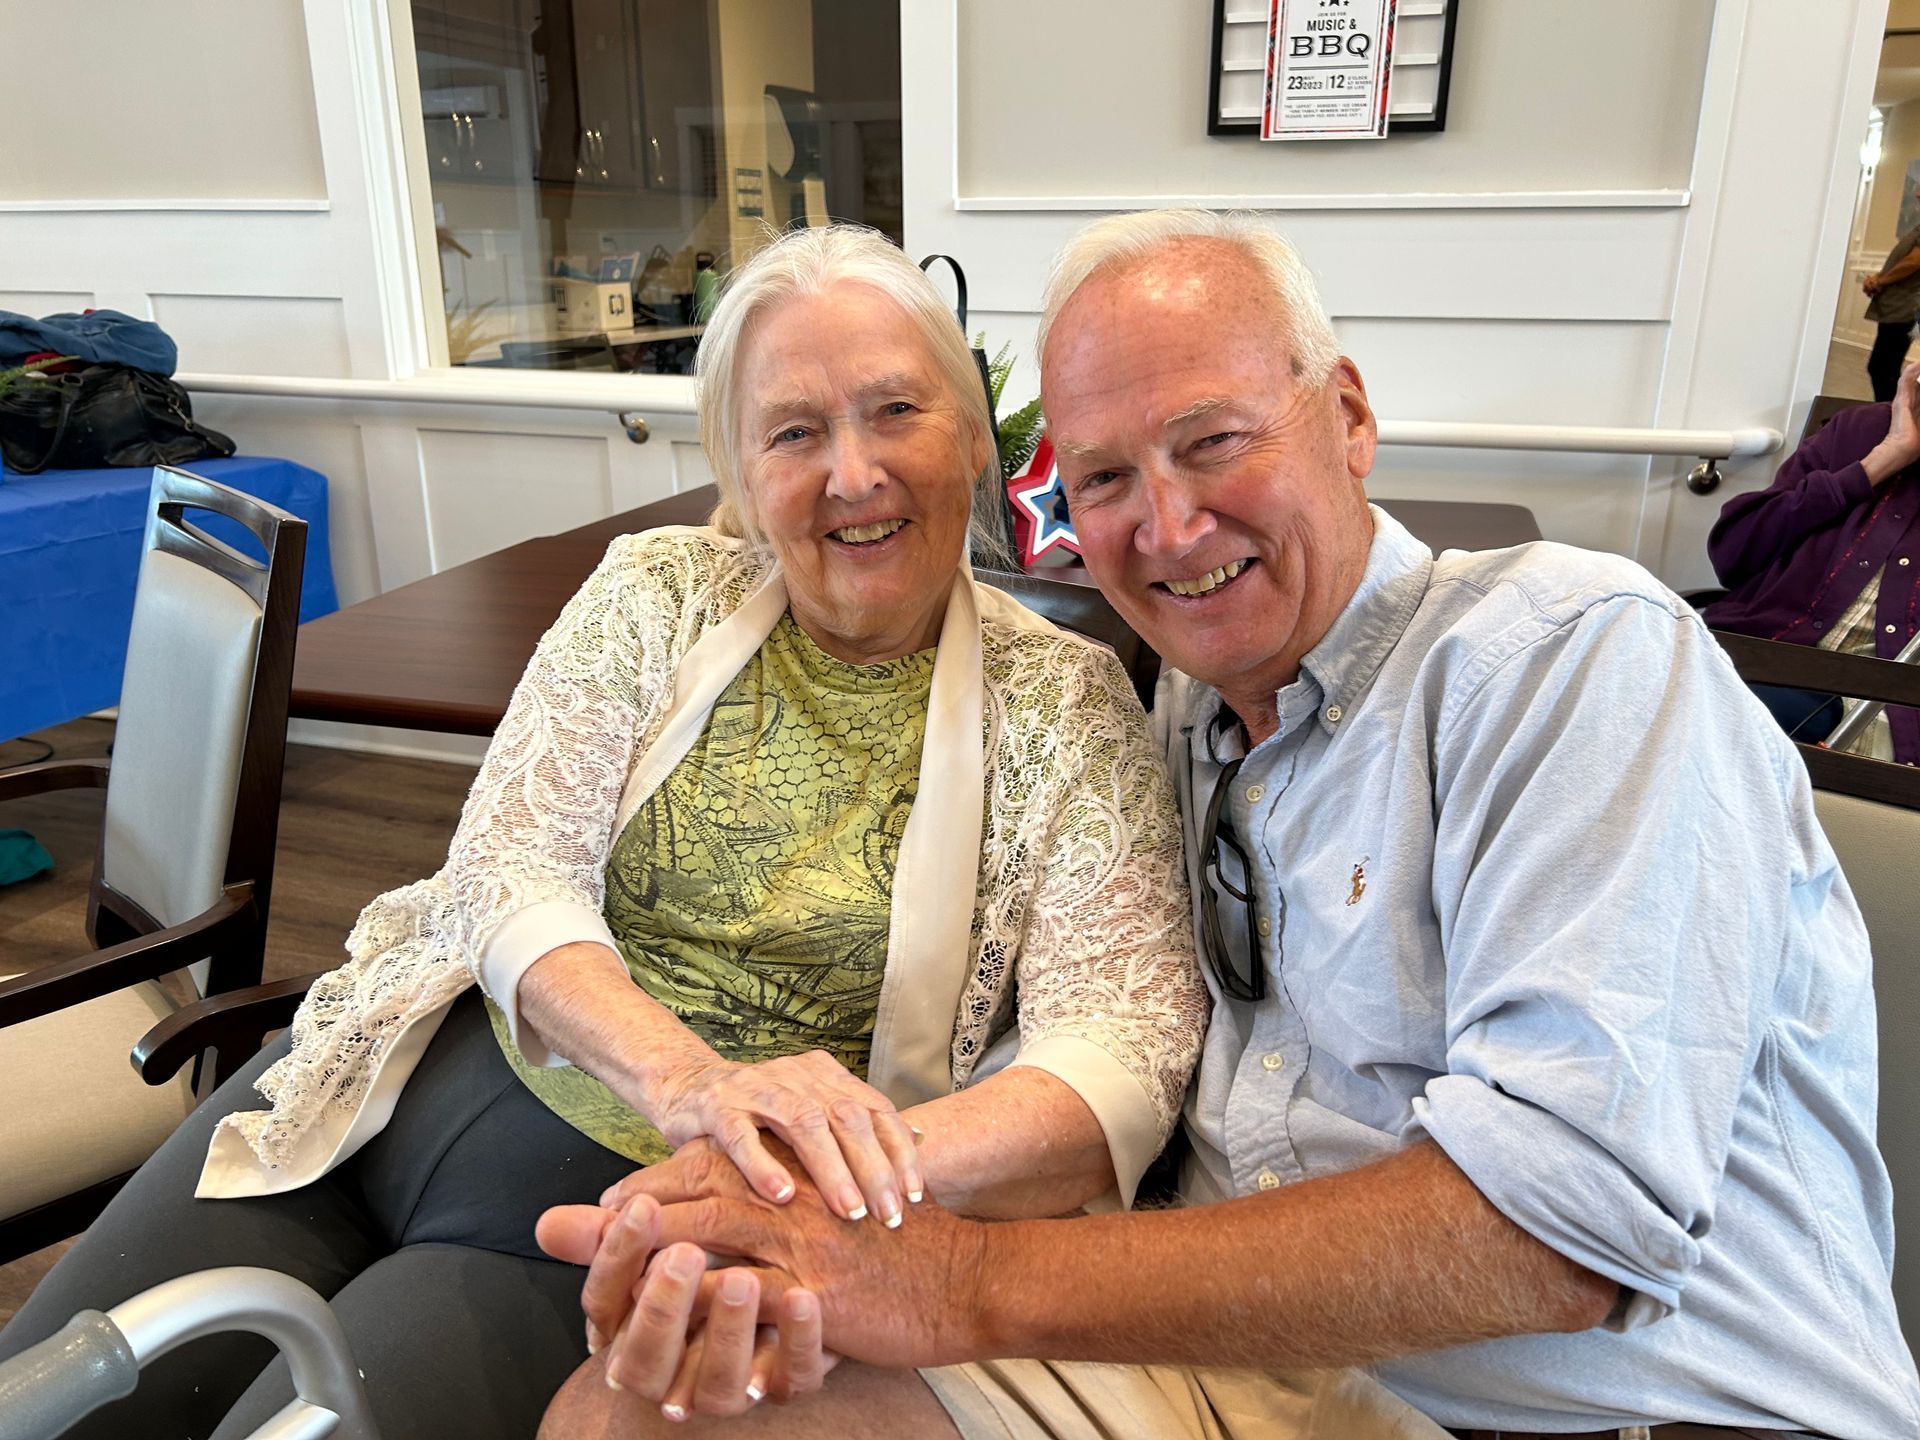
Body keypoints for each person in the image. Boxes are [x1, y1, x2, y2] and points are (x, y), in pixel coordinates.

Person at [538, 210, 1920, 1440]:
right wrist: (787, 1211)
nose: (1169, 523)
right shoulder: (1187, 716)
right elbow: (1101, 1036)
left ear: (1349, 414)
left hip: (1615, 1405)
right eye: (1105, 480)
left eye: (1212, 442)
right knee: (642, 1408)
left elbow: (1554, 1234)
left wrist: (949, 1283)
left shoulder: (1573, 662)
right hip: (1238, 1370)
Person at [0, 226, 1209, 1438]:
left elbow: (1124, 1055)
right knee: (45, 1393)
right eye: (793, 431)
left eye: (896, 410)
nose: (852, 474)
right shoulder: (655, 590)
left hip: (642, 1214)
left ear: (972, 439)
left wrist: (818, 1166)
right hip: (398, 1071)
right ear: (740, 469)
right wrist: (694, 1080)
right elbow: (508, 867)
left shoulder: (1067, 701)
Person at [1704, 363, 1920, 762]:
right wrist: (1878, 464)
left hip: (1891, 713)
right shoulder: (1860, 432)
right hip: (1765, 663)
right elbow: (1733, 553)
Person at [1862, 191, 1920, 402]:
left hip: (1904, 309)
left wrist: (1880, 281)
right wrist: (1878, 276)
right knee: (1884, 368)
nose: (1917, 194)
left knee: (1882, 368)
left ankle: (1893, 420)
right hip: (1898, 307)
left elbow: (1914, 262)